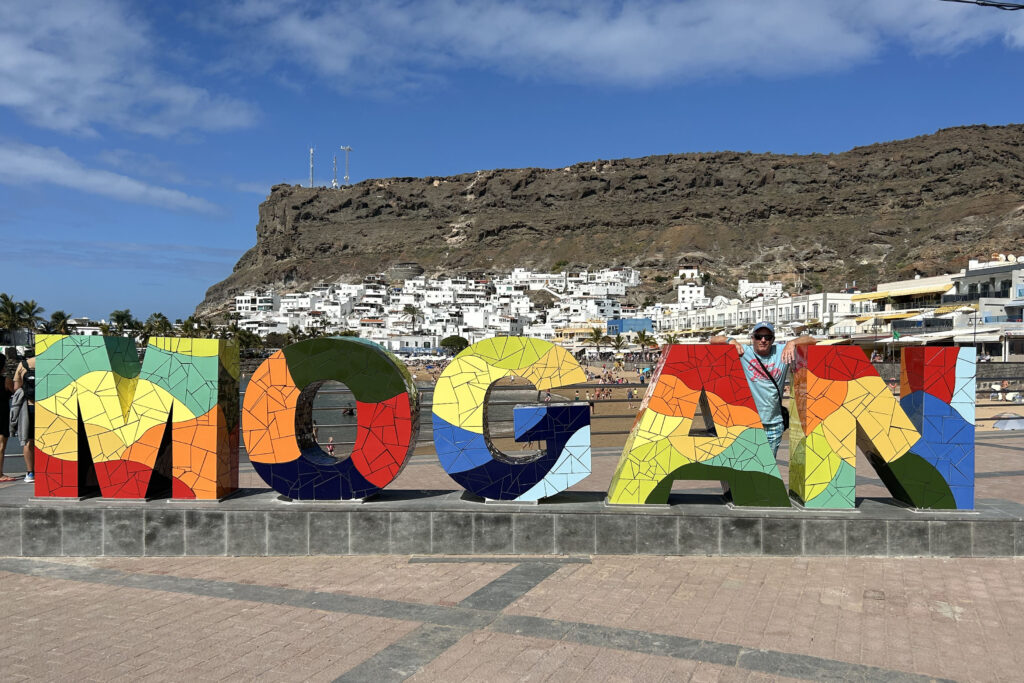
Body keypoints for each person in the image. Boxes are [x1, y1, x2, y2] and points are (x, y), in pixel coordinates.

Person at [710, 322, 817, 456]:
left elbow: (812, 340)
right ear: (752, 338)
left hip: (774, 424)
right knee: (748, 464)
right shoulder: (744, 352)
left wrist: (792, 343)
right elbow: (712, 340)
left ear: (773, 339)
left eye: (768, 337)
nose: (763, 340)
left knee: (768, 466)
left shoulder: (782, 351)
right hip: (748, 423)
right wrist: (731, 340)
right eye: (758, 336)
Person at [13, 350, 36, 483]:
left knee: (28, 440)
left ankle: (30, 473)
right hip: (48, 407)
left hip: (29, 406)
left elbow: (17, 387)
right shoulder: (51, 362)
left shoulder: (23, 364)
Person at [0, 357, 15, 482]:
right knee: (1, 445)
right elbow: (15, 391)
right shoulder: (6, 381)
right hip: (2, 414)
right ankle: (0, 474)